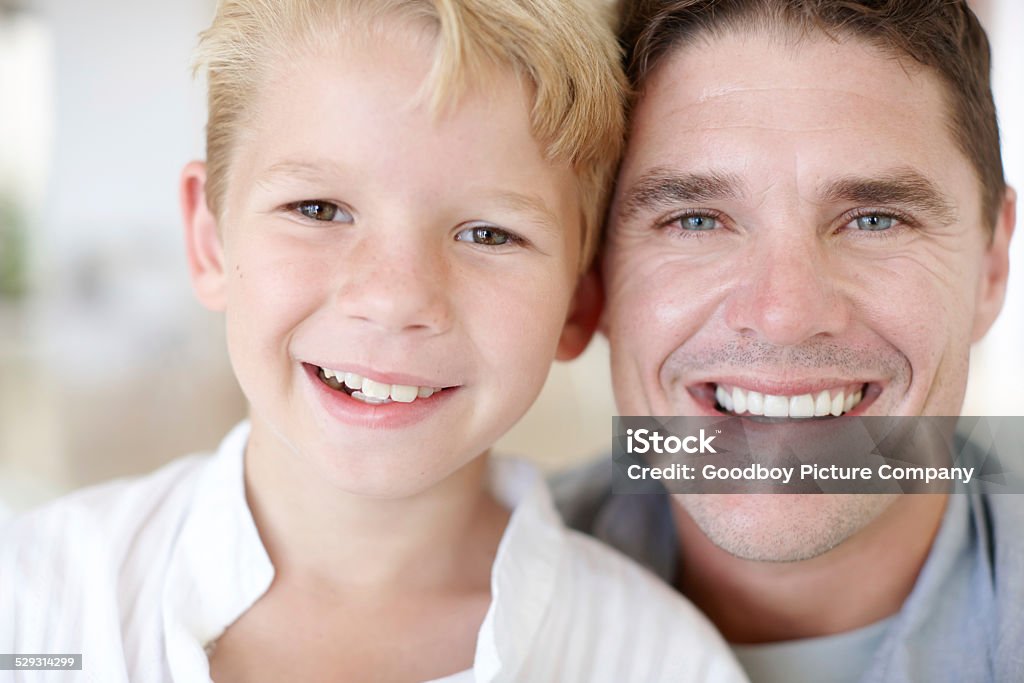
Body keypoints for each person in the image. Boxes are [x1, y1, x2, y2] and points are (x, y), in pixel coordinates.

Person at [0, 1, 748, 682]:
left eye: (489, 232)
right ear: (207, 238)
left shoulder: (661, 662)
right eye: (318, 208)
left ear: (581, 301)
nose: (394, 299)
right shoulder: (31, 602)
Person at [557, 0, 1021, 681]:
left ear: (991, 265)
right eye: (695, 220)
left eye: (874, 219)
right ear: (592, 269)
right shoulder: (460, 610)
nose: (783, 313)